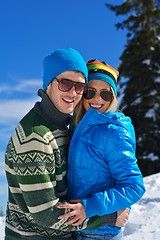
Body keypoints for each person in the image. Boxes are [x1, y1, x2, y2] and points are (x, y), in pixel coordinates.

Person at [4, 49, 128, 240]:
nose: (73, 92)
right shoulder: (35, 138)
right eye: (65, 83)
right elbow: (46, 215)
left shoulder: (64, 128)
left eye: (80, 87)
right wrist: (108, 218)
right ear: (48, 84)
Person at [58, 59, 145, 239]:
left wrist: (89, 207)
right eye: (90, 92)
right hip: (78, 229)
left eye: (105, 94)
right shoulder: (78, 128)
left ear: (112, 98)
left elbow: (134, 186)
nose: (97, 99)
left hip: (99, 233)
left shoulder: (113, 132)